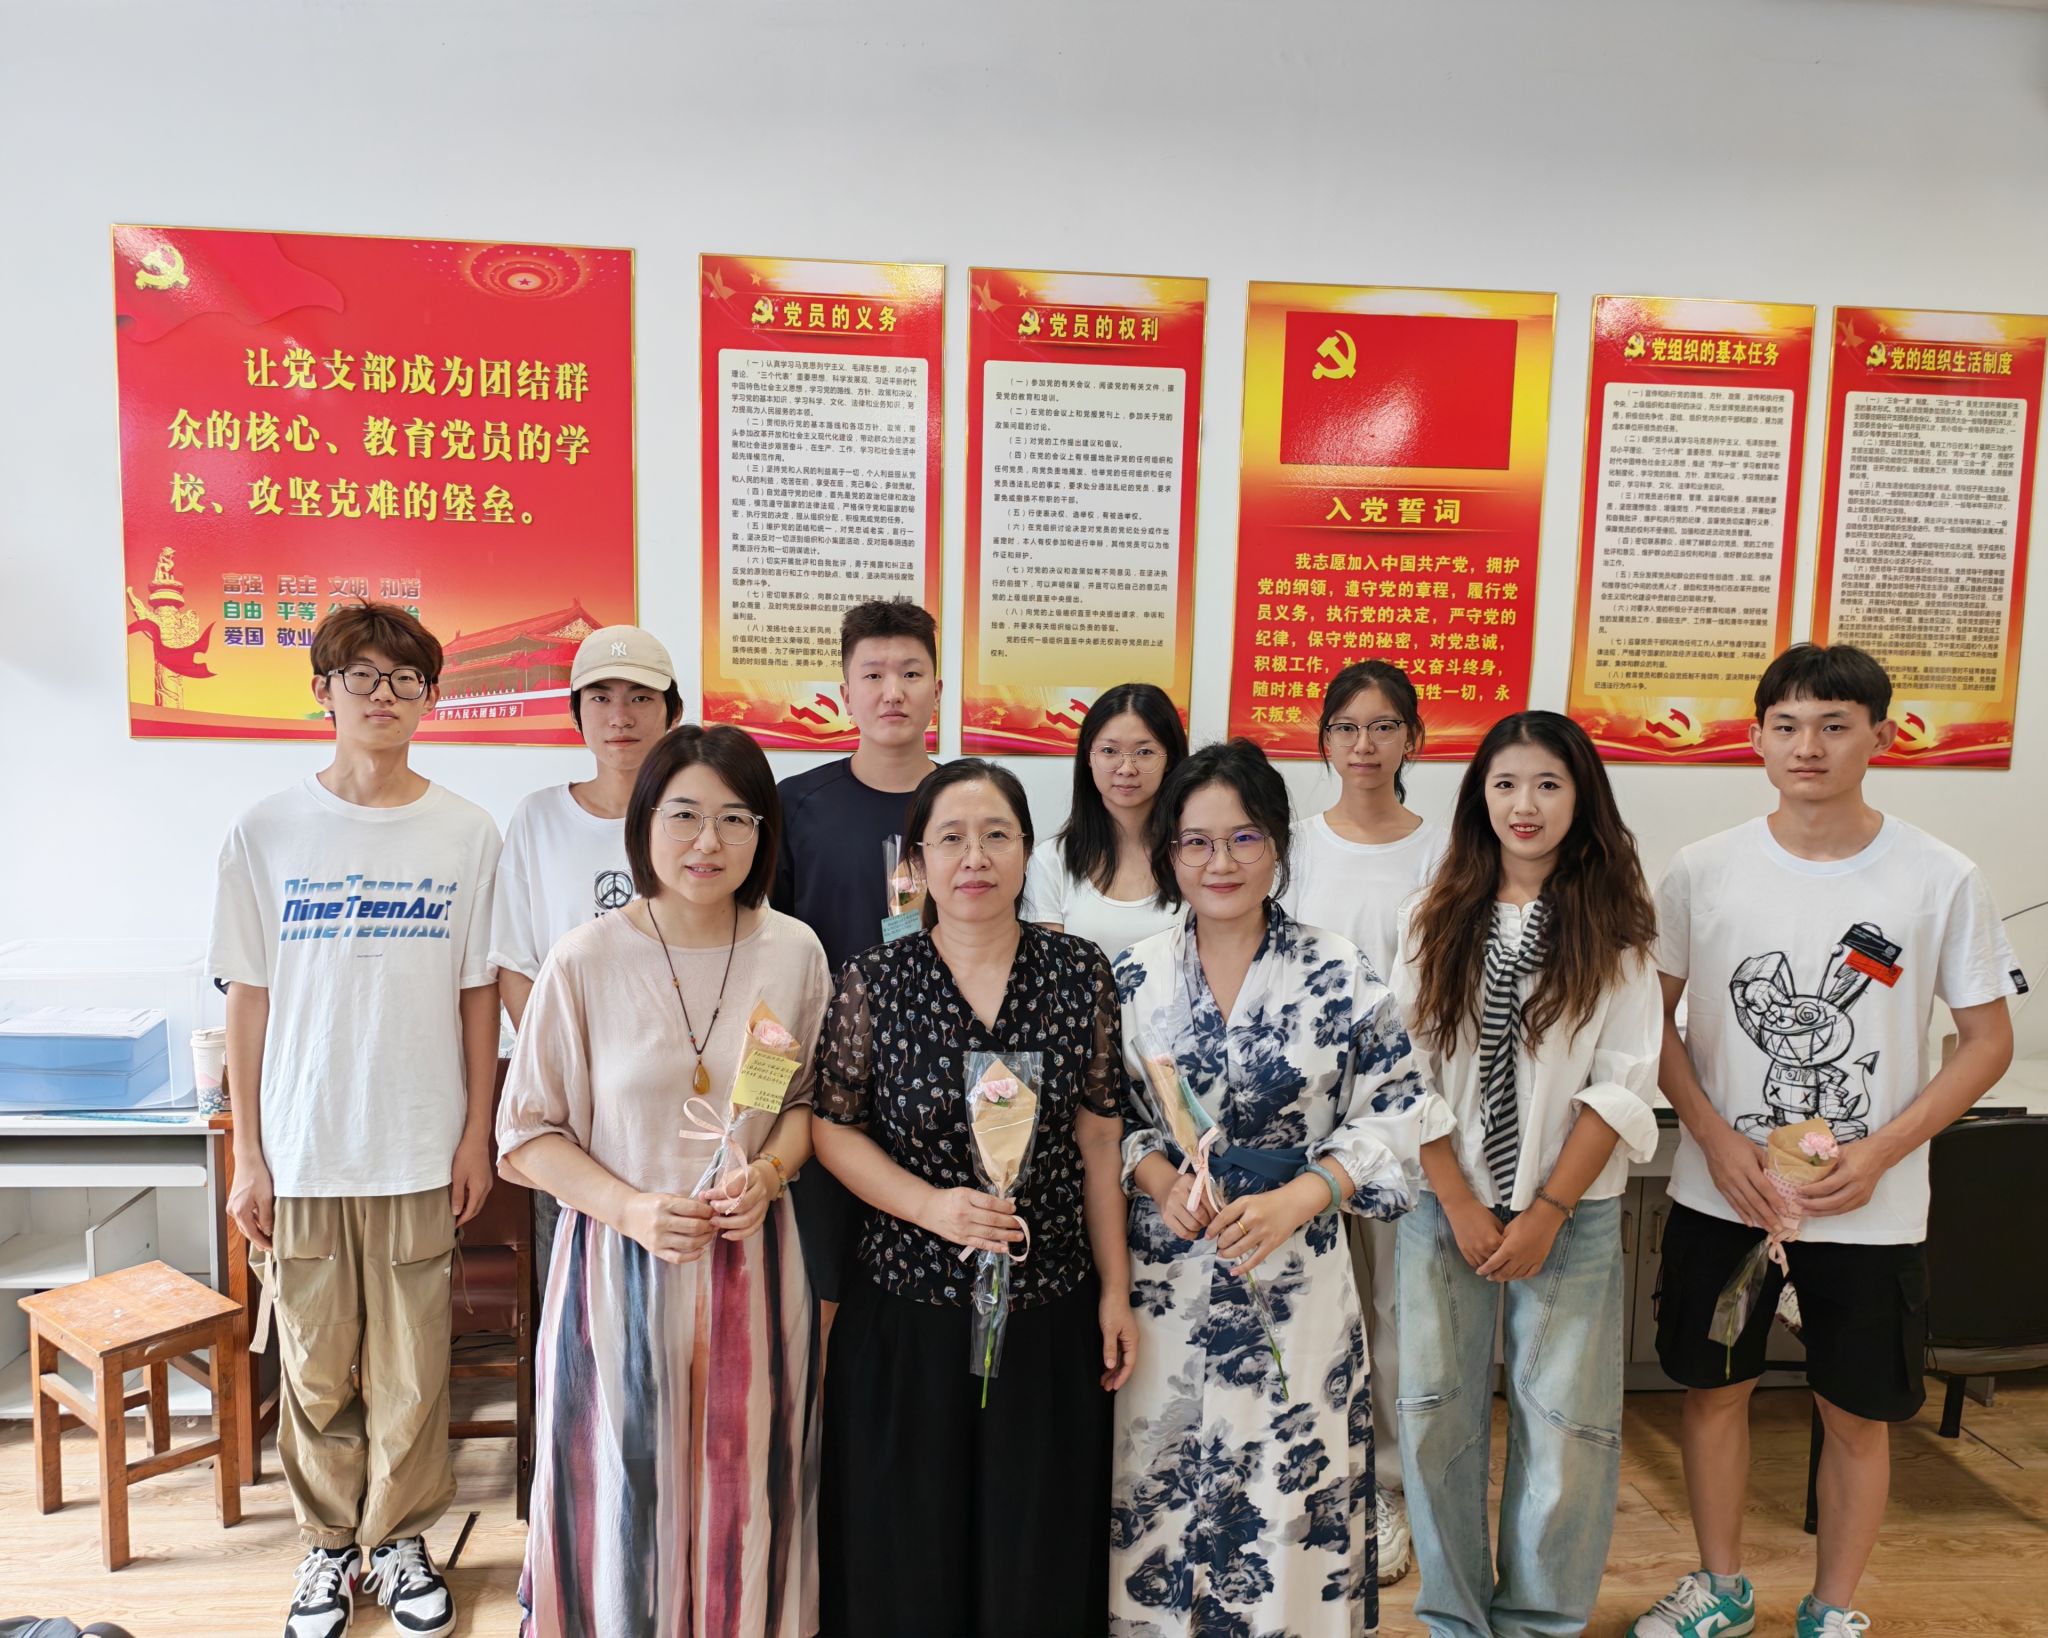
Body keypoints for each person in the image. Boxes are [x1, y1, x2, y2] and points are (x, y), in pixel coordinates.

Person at [1631, 644, 2019, 1638]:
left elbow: (1987, 1043)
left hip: (1869, 1210)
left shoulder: (1939, 877)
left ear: (1879, 738)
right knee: (1713, 1391)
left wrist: (1881, 1152)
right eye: (1788, 725)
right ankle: (1719, 1586)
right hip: (1725, 1199)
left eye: (1834, 725)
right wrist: (1713, 1140)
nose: (1808, 745)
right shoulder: (1701, 871)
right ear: (1756, 739)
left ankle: (1833, 1606)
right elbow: (1646, 1023)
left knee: (1857, 1411)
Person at [497, 724, 832, 1638]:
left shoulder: (794, 951)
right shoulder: (585, 958)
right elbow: (524, 1136)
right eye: (683, 815)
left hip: (754, 1272)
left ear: (763, 834)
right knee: (623, 1499)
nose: (706, 841)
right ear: (644, 824)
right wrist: (633, 1208)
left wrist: (769, 1173)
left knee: (745, 1497)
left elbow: (805, 1106)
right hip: (616, 1277)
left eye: (734, 818)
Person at [210, 600, 501, 1638]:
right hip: (304, 1146)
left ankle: (402, 1540)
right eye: (362, 676)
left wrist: (475, 1134)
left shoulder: (467, 831)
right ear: (323, 691)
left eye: (405, 678)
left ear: (430, 697)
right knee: (314, 1363)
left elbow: (478, 993)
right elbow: (248, 999)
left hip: (418, 1141)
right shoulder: (265, 830)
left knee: (415, 1369)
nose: (385, 695)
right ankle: (330, 1548)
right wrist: (250, 1154)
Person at [1111, 738, 1427, 1637]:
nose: (1220, 862)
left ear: (1278, 846)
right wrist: (1158, 1178)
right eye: (1197, 841)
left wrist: (1306, 1194)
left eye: (1244, 838)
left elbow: (1399, 1109)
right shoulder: (1133, 976)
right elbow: (1109, 1118)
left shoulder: (1339, 970)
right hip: (1169, 1275)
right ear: (1169, 852)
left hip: (1297, 1274)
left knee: (1291, 1484)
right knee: (1163, 1477)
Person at [812, 760, 1134, 1638]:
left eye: (997, 835)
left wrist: (1114, 1289)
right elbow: (832, 1129)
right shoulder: (876, 979)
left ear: (1028, 850)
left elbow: (1100, 1140)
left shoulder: (1078, 973)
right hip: (910, 1307)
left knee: (1036, 1544)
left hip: (1048, 1305)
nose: (975, 858)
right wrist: (932, 1207)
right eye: (950, 838)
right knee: (907, 1546)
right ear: (918, 861)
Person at [1393, 710, 1661, 1638]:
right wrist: (1459, 1200)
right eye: (1505, 783)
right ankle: (1455, 1619)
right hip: (1445, 1206)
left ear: (1582, 797)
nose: (1525, 804)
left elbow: (1623, 1085)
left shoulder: (1618, 929)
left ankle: (1542, 1621)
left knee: (1567, 1426)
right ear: (1480, 797)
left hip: (1571, 1214)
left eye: (1548, 783)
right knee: (1435, 1415)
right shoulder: (1431, 917)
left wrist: (1546, 1209)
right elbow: (1404, 1073)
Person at [1280, 658, 1446, 1584]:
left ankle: (1385, 1486)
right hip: (1305, 1121)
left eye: (1384, 727)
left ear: (1412, 739)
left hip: (1404, 1119)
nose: (1364, 745)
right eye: (1346, 728)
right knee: (1311, 1305)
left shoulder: (1446, 853)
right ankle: (1312, 1473)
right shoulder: (1294, 848)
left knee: (1392, 1312)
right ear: (1324, 741)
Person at [490, 624, 683, 1280]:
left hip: (676, 1107)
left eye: (640, 697)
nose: (619, 716)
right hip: (572, 1118)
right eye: (600, 698)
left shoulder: (699, 820)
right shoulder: (539, 818)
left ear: (673, 712)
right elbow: (516, 965)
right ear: (576, 714)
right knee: (576, 1291)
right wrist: (569, 1079)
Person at [773, 599, 942, 1330]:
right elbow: (769, 948)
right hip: (824, 1092)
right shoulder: (795, 805)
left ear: (938, 688)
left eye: (911, 672)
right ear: (845, 692)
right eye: (872, 674)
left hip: (936, 1092)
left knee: (922, 1289)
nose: (892, 691)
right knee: (822, 1287)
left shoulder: (968, 802)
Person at [1022, 682, 1189, 958]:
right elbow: (1051, 972)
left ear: (1169, 759)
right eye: (1110, 751)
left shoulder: (1195, 854)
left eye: (1144, 752)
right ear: (1088, 757)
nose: (1126, 768)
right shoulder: (1051, 861)